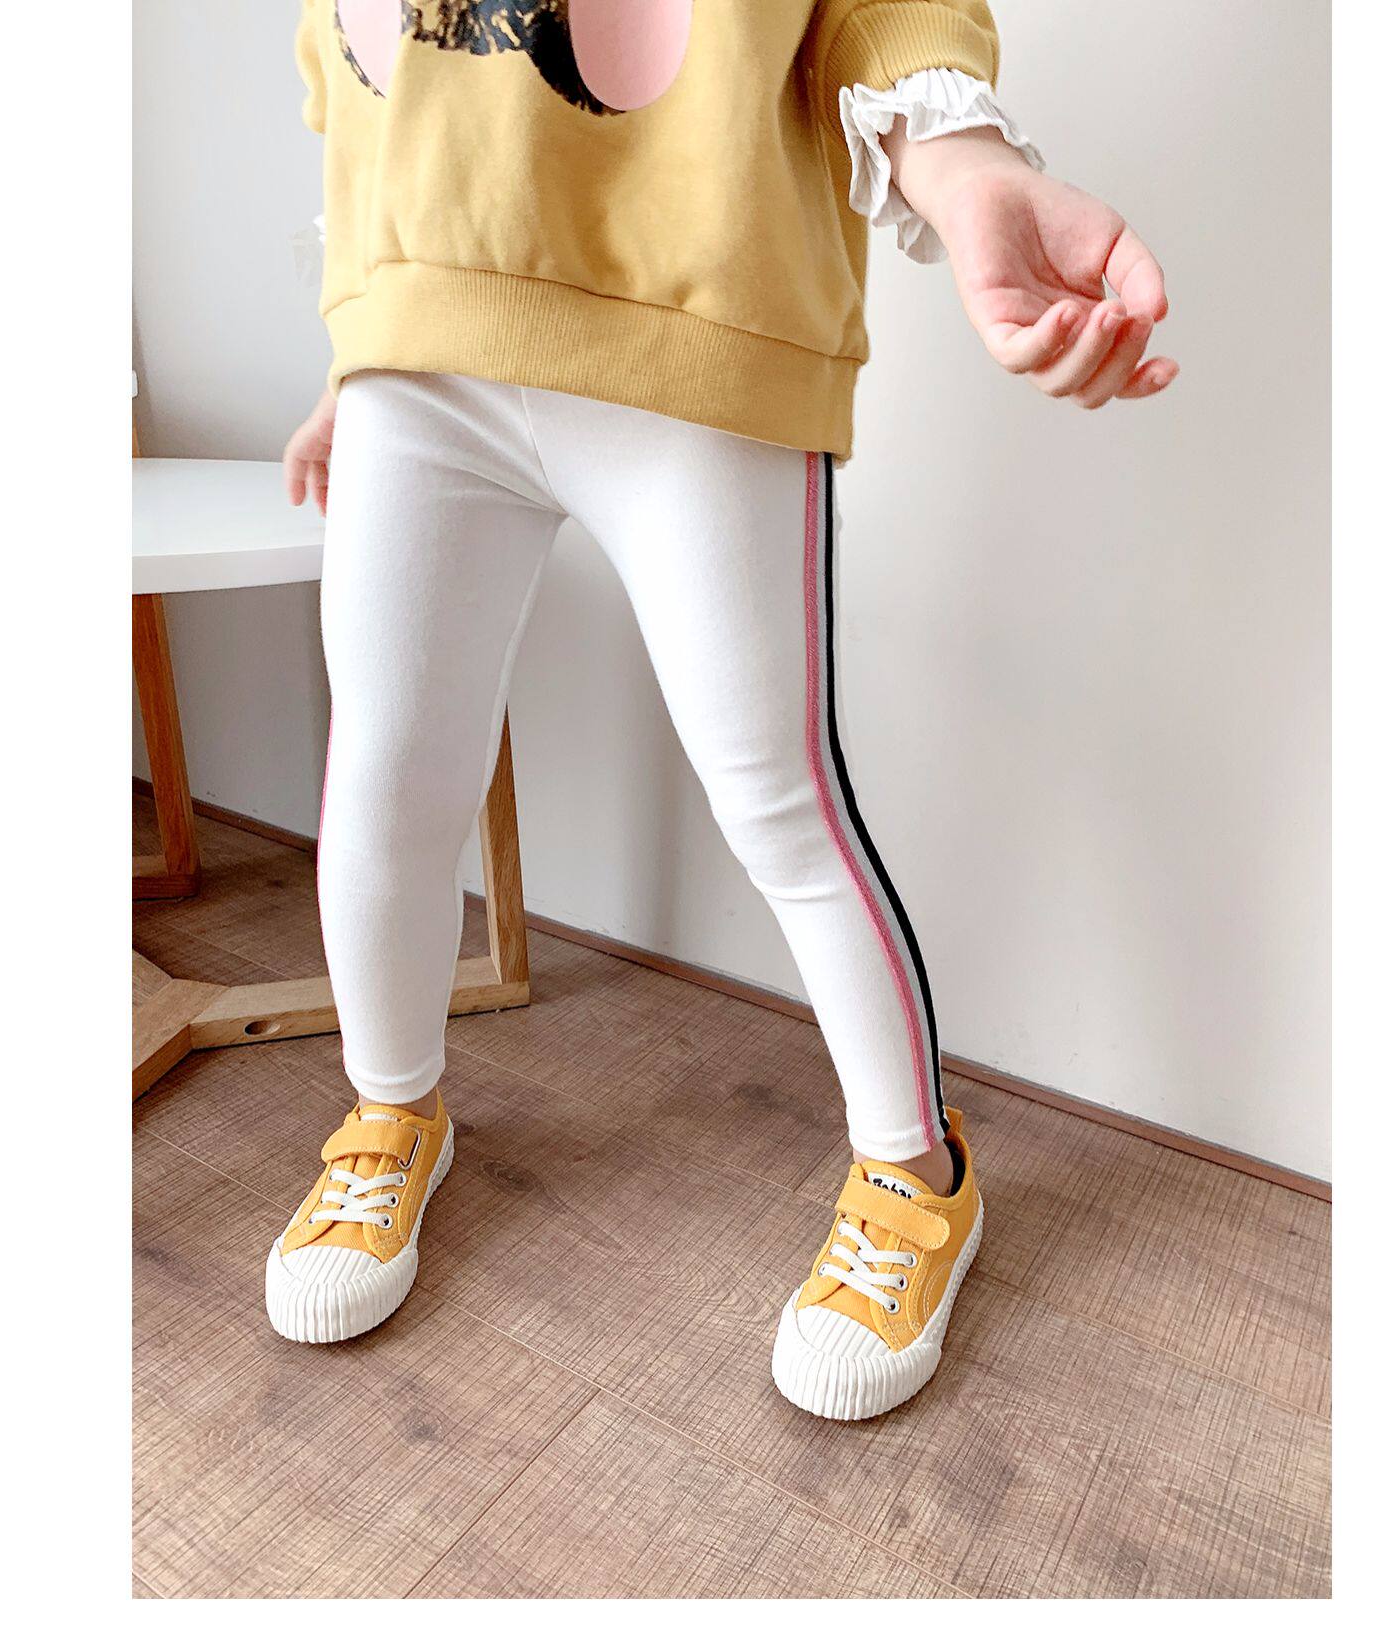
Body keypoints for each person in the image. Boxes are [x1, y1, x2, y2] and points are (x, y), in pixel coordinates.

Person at [270, 0, 1175, 1421]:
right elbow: (360, 86)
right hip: (416, 356)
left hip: (696, 332)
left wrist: (972, 173)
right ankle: (389, 1112)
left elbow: (872, 15)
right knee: (384, 778)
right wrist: (351, 352)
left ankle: (917, 1176)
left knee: (780, 801)